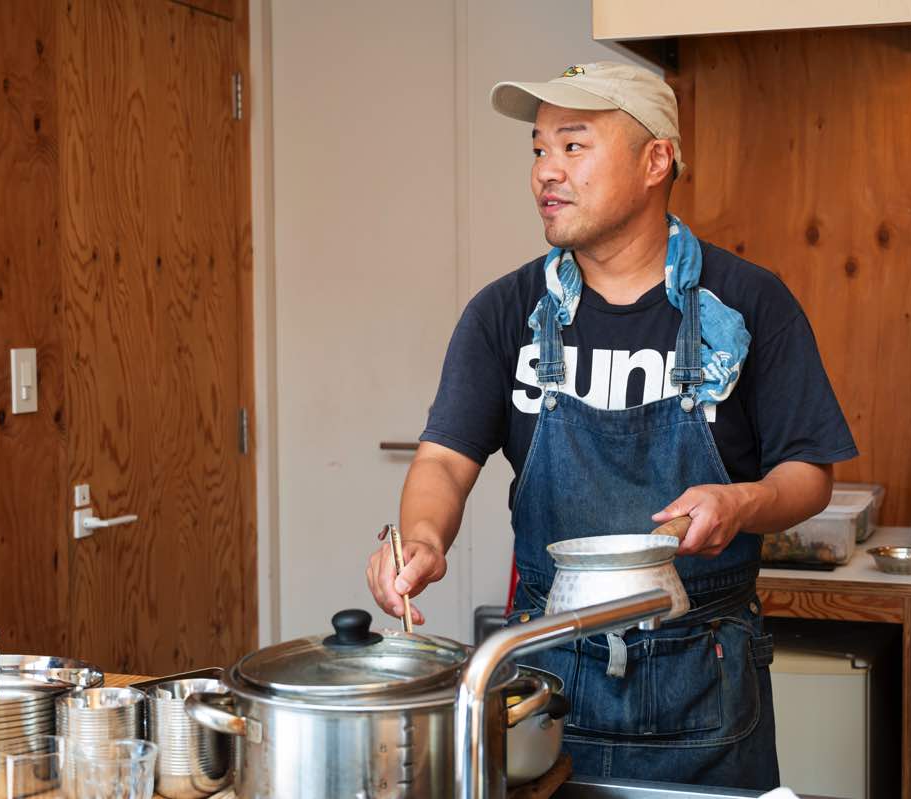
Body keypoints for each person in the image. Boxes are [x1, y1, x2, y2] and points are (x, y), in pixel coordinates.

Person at [366, 61, 857, 789]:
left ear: (656, 160)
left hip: (708, 683)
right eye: (537, 150)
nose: (545, 173)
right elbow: (443, 461)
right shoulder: (506, 314)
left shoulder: (750, 304)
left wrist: (741, 503)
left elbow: (808, 473)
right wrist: (424, 538)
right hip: (546, 684)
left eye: (573, 146)